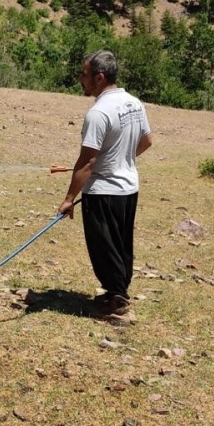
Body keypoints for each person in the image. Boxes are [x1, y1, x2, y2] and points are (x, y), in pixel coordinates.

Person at [57, 50, 153, 326]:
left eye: (84, 75)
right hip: (128, 188)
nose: (80, 79)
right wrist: (121, 159)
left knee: (103, 248)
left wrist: (68, 199)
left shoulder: (98, 113)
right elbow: (146, 141)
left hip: (103, 192)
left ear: (99, 78)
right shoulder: (134, 103)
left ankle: (119, 305)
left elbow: (87, 162)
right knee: (120, 246)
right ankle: (115, 293)